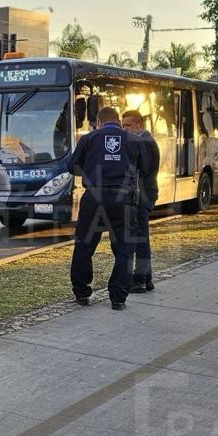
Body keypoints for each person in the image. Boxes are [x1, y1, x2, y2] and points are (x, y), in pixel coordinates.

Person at [68, 106, 147, 310]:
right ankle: (118, 298)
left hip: (94, 197)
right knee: (124, 250)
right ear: (119, 122)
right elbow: (144, 169)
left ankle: (82, 293)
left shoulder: (89, 138)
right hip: (124, 199)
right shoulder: (133, 140)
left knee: (84, 246)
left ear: (100, 122)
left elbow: (72, 167)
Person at [121, 109, 160, 293]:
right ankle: (147, 278)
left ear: (138, 124)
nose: (125, 129)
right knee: (141, 237)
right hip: (145, 193)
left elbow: (141, 169)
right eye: (123, 125)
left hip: (141, 195)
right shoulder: (147, 140)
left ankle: (140, 279)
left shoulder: (142, 141)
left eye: (128, 125)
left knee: (140, 239)